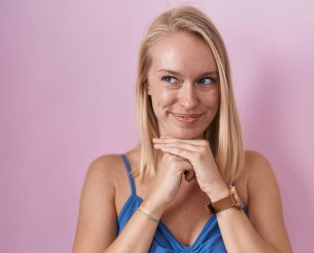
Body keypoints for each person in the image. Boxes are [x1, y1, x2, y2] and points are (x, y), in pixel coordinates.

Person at [72, 6, 292, 253]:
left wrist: (218, 191)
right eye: (170, 79)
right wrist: (155, 202)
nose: (189, 101)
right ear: (147, 85)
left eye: (205, 80)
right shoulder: (107, 175)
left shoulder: (253, 170)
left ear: (222, 88)